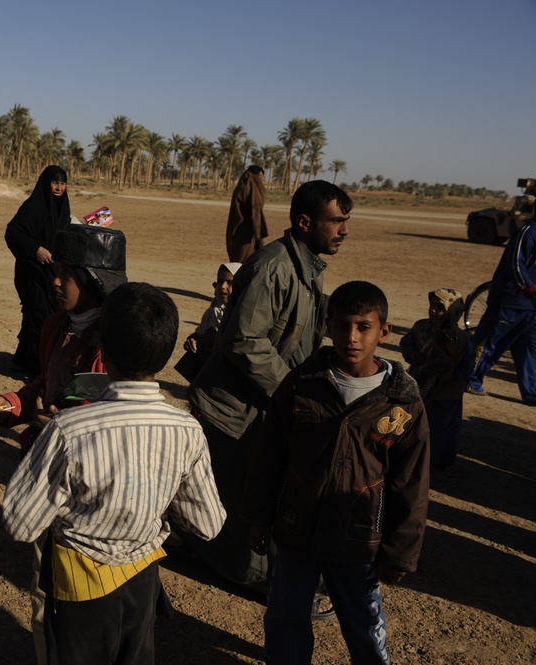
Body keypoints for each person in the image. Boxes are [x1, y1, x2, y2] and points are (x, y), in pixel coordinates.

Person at [3, 282, 226, 665]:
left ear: (102, 349)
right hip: (141, 584)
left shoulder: (68, 431)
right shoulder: (187, 430)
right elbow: (208, 524)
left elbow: (20, 523)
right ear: (165, 349)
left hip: (78, 590)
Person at [244, 281, 430, 665]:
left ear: (384, 331)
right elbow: (269, 457)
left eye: (363, 326)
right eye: (342, 325)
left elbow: (410, 486)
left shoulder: (403, 404)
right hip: (298, 529)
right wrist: (259, 518)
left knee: (364, 623)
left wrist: (399, 554)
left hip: (359, 540)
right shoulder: (300, 386)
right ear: (327, 326)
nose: (352, 337)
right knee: (285, 617)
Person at [185, 180, 353, 591]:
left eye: (346, 221)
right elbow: (243, 339)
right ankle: (225, 569)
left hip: (263, 403)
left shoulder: (305, 265)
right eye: (337, 221)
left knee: (252, 492)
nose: (344, 230)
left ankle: (241, 569)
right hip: (237, 406)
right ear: (304, 221)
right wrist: (291, 389)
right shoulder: (275, 266)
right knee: (230, 492)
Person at [0, 223, 126, 664]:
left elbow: (117, 416)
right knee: (46, 589)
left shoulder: (117, 340)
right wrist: (10, 403)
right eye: (55, 270)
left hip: (96, 491)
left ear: (95, 278)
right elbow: (45, 381)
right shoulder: (56, 325)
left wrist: (65, 424)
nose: (54, 281)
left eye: (66, 274)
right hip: (48, 476)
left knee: (91, 597)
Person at [466, 189, 536, 406]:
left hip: (535, 310)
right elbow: (515, 265)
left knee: (533, 350)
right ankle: (470, 379)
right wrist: (533, 291)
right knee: (491, 346)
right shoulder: (527, 232)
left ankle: (534, 394)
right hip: (510, 303)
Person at [5, 165, 72, 375]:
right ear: (46, 183)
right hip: (32, 272)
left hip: (53, 273)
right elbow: (13, 233)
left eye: (62, 183)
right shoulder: (32, 207)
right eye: (55, 183)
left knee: (52, 317)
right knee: (38, 316)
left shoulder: (64, 209)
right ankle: (36, 367)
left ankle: (26, 359)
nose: (59, 188)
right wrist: (36, 249)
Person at [400, 288, 474, 469]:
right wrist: (411, 354)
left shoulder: (461, 338)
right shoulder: (421, 327)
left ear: (453, 311)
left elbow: (467, 363)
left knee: (443, 428)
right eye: (432, 306)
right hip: (420, 384)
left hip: (446, 392)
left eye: (440, 307)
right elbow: (406, 342)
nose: (433, 310)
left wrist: (454, 378)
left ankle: (440, 462)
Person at [176, 261, 241, 380]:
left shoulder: (241, 314)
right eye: (220, 282)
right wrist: (192, 342)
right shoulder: (212, 310)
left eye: (230, 283)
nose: (222, 286)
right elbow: (201, 334)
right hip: (207, 371)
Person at [225, 165, 267, 263]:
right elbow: (255, 210)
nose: (261, 182)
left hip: (237, 232)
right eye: (260, 178)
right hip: (245, 235)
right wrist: (260, 238)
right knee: (244, 262)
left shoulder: (243, 186)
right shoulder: (250, 188)